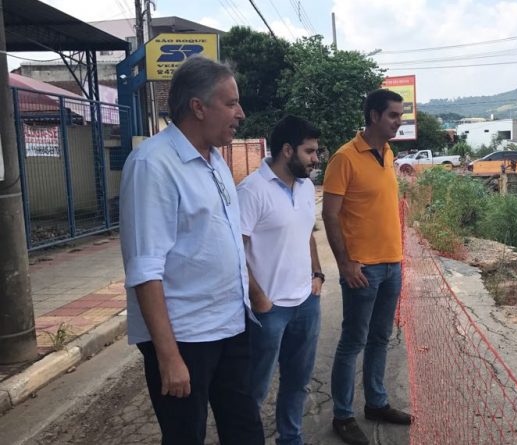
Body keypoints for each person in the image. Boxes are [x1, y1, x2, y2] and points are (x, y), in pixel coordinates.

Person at [119, 56, 264, 445]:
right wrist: (168, 357)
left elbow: (224, 242)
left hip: (230, 325)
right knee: (185, 436)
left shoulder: (216, 162)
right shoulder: (153, 164)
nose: (240, 113)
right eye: (231, 103)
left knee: (246, 430)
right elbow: (144, 268)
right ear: (198, 107)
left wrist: (254, 296)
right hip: (185, 337)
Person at [322, 89, 412, 445]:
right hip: (363, 271)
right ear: (374, 116)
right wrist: (344, 264)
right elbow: (330, 214)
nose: (399, 121)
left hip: (392, 265)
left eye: (400, 115)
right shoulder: (344, 158)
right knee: (352, 341)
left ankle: (376, 403)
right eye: (393, 115)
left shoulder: (388, 153)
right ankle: (342, 416)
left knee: (380, 338)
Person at [237, 115, 323, 445]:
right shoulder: (252, 190)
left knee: (297, 382)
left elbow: (307, 233)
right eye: (309, 151)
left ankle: (290, 438)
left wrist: (317, 274)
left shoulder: (305, 187)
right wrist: (259, 298)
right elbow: (235, 251)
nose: (316, 159)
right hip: (268, 310)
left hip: (306, 303)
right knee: (254, 389)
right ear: (287, 150)